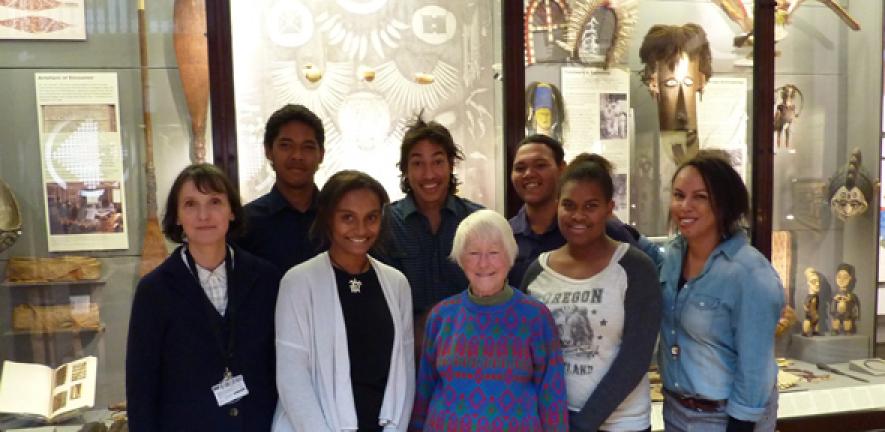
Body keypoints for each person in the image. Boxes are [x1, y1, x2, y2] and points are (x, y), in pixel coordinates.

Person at [126, 164, 281, 431]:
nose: (204, 215)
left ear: (232, 210)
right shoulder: (154, 291)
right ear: (176, 216)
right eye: (190, 204)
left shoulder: (267, 279)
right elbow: (142, 386)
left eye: (215, 202)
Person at [521, 153, 661, 432]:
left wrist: (583, 424)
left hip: (622, 423)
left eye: (591, 206)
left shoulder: (635, 268)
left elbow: (635, 359)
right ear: (557, 205)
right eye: (569, 205)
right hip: (555, 420)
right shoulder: (537, 272)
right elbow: (529, 354)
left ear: (609, 208)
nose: (578, 216)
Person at [273, 170, 414, 432]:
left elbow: (404, 373)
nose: (361, 229)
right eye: (347, 217)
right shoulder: (298, 283)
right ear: (328, 218)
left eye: (371, 218)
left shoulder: (397, 284)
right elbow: (292, 379)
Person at [658, 151, 783, 431]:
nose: (684, 206)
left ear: (725, 204)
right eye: (678, 195)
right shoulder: (672, 257)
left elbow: (755, 371)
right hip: (676, 411)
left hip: (724, 418)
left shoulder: (749, 273)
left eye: (700, 197)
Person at [410, 209, 567, 431]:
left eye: (494, 252)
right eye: (473, 253)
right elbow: (424, 391)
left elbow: (553, 398)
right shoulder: (441, 317)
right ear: (460, 259)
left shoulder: (536, 317)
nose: (483, 264)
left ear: (510, 256)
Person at [382, 114, 482, 353]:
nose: (429, 174)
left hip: (470, 352)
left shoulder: (477, 221)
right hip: (405, 355)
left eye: (437, 162)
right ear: (405, 169)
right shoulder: (385, 222)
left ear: (451, 164)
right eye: (417, 163)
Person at [508, 134, 660, 285]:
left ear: (562, 169)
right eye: (520, 168)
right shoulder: (505, 235)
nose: (528, 174)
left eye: (540, 165)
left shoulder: (601, 230)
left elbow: (644, 278)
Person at [238, 104, 325, 272]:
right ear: (269, 151)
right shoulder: (245, 223)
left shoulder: (336, 218)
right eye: (286, 145)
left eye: (307, 147)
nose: (297, 156)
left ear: (321, 154)